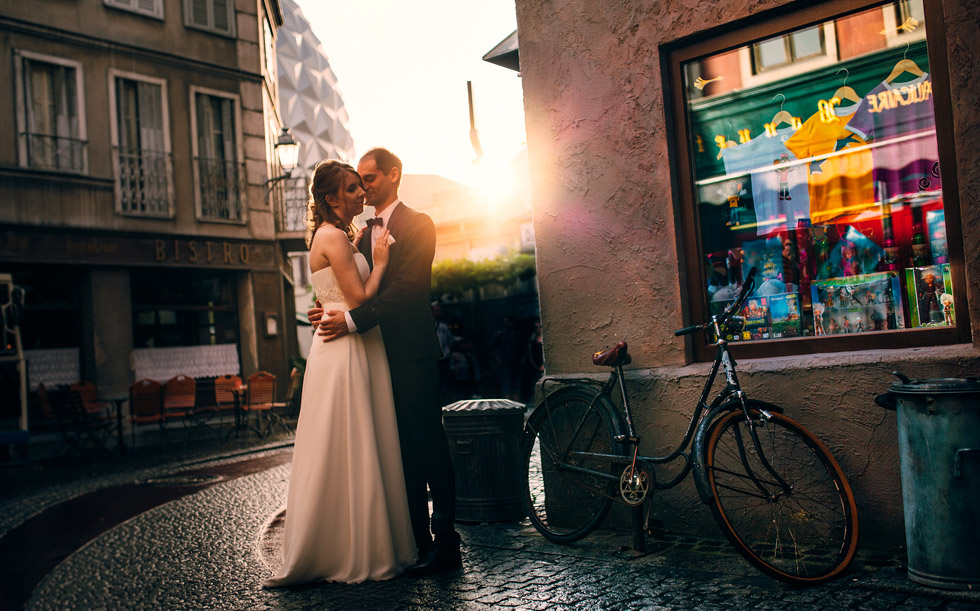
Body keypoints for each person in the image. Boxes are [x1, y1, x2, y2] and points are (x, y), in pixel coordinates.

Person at [308, 148, 461, 576]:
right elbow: (343, 285)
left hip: (410, 353)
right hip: (369, 360)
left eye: (369, 178)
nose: (364, 186)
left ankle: (447, 543)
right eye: (358, 181)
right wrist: (324, 308)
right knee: (399, 453)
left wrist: (352, 319)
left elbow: (408, 290)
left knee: (429, 447)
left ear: (394, 176)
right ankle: (415, 541)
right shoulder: (354, 236)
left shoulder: (419, 224)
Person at [263, 160, 415, 587]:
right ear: (330, 199)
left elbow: (331, 297)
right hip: (345, 349)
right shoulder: (332, 237)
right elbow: (359, 296)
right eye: (350, 189)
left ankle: (358, 541)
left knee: (356, 440)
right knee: (349, 440)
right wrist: (381, 261)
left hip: (355, 343)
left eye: (360, 186)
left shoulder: (341, 236)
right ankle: (349, 549)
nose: (359, 194)